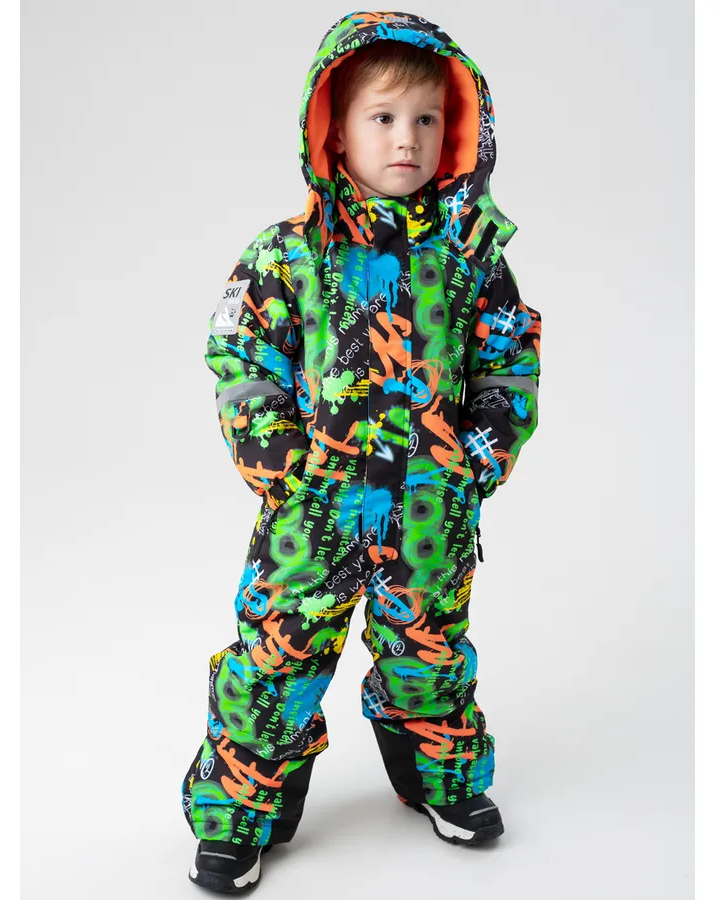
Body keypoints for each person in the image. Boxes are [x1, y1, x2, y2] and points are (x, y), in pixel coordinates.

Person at [182, 10, 542, 894]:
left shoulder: (470, 258)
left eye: (426, 119)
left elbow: (508, 359)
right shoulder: (288, 254)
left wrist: (480, 456)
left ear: (456, 129)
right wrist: (276, 459)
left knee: (430, 649)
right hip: (313, 511)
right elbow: (242, 356)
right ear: (334, 131)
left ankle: (442, 777)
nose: (407, 139)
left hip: (428, 509)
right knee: (276, 659)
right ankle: (240, 813)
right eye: (382, 118)